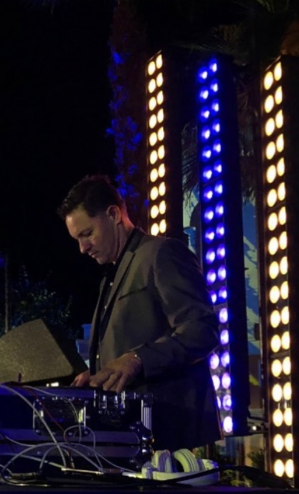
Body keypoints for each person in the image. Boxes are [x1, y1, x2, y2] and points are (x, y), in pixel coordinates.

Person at [57, 175, 221, 451]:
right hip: (130, 439)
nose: (82, 248)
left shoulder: (162, 253)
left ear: (113, 215)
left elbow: (202, 330)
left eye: (87, 234)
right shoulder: (111, 275)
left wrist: (137, 359)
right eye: (77, 239)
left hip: (169, 436)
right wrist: (97, 375)